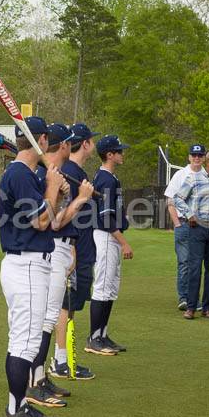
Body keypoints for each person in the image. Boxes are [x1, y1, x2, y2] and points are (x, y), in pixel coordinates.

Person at [0, 115, 64, 417]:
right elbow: (41, 222)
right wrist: (52, 188)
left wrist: (56, 192)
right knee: (24, 342)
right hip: (25, 263)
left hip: (30, 262)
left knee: (26, 339)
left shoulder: (27, 173)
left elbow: (49, 218)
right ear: (43, 141)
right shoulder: (20, 174)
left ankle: (19, 404)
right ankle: (15, 410)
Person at [30, 122, 95, 405]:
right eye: (69, 142)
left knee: (49, 316)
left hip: (61, 250)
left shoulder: (54, 174)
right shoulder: (47, 175)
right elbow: (55, 223)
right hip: (51, 250)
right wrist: (80, 199)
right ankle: (37, 381)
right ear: (64, 145)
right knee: (45, 319)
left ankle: (42, 378)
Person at [50, 122, 100, 381]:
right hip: (72, 248)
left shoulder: (75, 172)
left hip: (79, 247)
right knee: (64, 306)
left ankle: (64, 358)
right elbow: (63, 219)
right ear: (87, 143)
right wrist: (73, 251)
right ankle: (61, 360)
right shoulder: (68, 172)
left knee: (69, 306)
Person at [88, 135, 134, 354]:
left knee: (110, 287)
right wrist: (124, 243)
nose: (122, 154)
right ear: (109, 155)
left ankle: (103, 335)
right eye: (119, 151)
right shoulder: (106, 179)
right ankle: (94, 338)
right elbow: (106, 218)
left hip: (109, 237)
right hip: (106, 236)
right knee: (103, 287)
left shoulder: (109, 178)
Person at [174, 150, 209, 319]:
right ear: (208, 162)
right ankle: (191, 307)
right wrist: (189, 214)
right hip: (197, 229)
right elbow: (178, 198)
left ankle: (207, 308)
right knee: (195, 268)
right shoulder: (194, 178)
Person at [165, 144, 206, 311]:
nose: (196, 158)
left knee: (197, 263)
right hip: (183, 223)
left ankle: (195, 298)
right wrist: (177, 224)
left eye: (200, 155)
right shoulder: (180, 175)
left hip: (203, 226)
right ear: (189, 157)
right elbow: (170, 202)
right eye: (194, 155)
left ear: (203, 157)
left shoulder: (206, 175)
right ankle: (184, 298)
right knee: (184, 262)